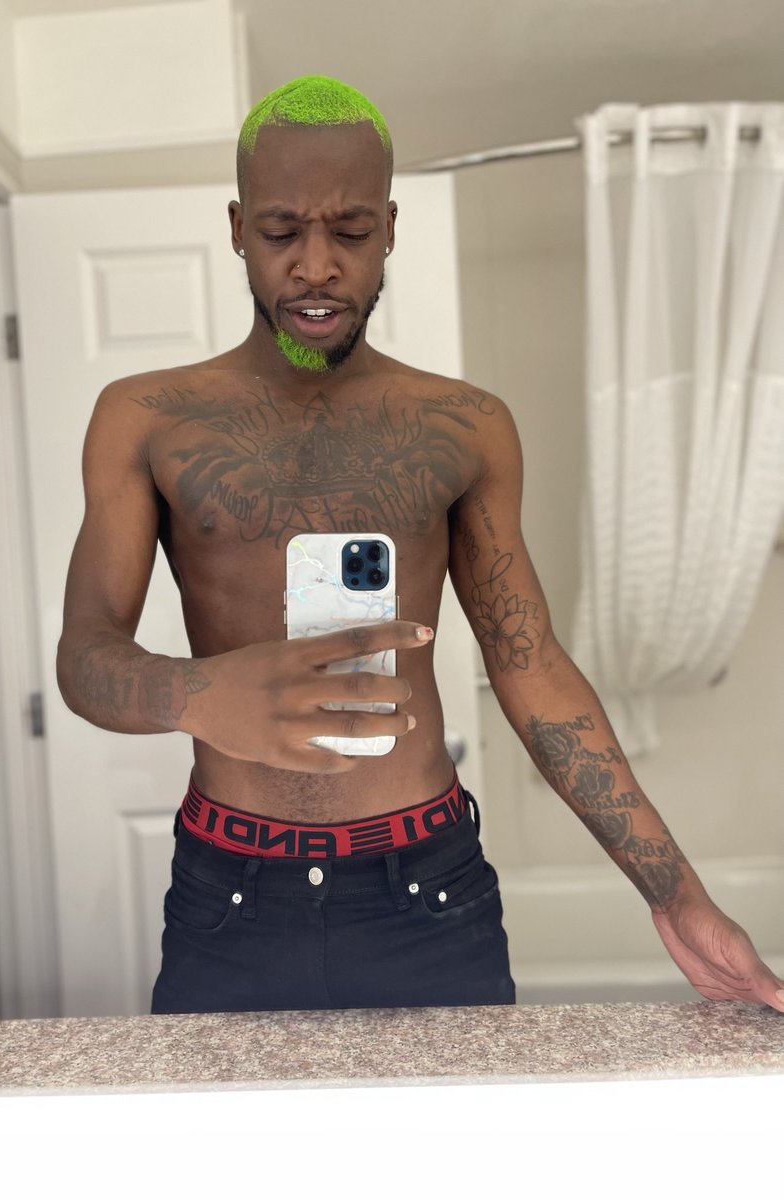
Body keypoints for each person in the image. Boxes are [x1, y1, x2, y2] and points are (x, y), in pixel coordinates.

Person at [57, 75, 784, 1015]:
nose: (317, 266)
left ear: (391, 229)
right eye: (281, 232)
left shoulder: (466, 426)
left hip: (427, 892)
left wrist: (677, 895)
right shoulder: (144, 417)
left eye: (351, 231)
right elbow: (84, 658)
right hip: (229, 895)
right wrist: (201, 695)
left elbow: (531, 667)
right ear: (237, 229)